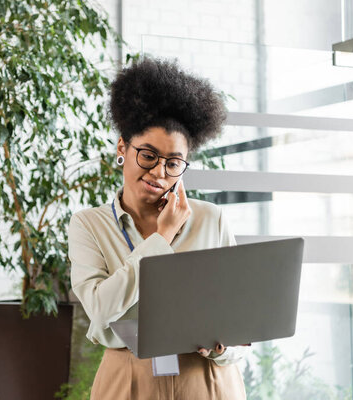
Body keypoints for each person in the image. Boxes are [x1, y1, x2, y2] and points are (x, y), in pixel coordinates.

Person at [68, 57, 250, 399]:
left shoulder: (212, 219)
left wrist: (223, 349)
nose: (159, 173)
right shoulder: (89, 225)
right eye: (148, 156)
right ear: (123, 147)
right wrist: (161, 237)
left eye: (174, 163)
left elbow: (241, 332)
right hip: (129, 379)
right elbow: (101, 310)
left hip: (207, 379)